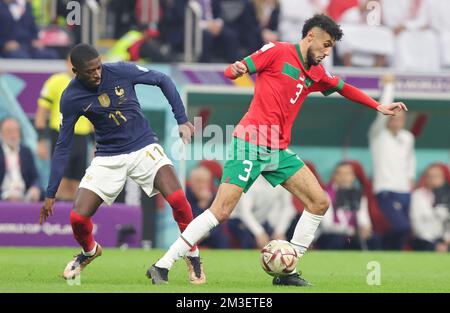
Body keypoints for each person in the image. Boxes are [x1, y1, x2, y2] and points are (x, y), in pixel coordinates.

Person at [149, 14, 407, 286]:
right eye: (326, 45)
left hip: (277, 149)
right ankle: (163, 264)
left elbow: (344, 88)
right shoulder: (277, 51)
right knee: (221, 210)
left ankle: (287, 270)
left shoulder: (317, 73)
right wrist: (235, 70)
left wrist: (377, 105)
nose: (327, 52)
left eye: (331, 47)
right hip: (250, 141)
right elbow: (237, 68)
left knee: (319, 202)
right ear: (310, 36)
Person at [38, 43, 206, 285]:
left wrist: (181, 119)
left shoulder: (119, 71)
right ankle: (89, 251)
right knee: (77, 218)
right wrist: (51, 192)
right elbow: (63, 145)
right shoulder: (71, 97)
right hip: (107, 157)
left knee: (179, 200)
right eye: (90, 71)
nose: (97, 74)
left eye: (98, 67)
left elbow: (163, 80)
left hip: (144, 147)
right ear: (75, 71)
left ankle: (193, 256)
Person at [35, 56, 93, 201]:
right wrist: (41, 140)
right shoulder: (56, 81)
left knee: (76, 184)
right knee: (61, 182)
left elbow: (93, 117)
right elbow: (41, 112)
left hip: (81, 138)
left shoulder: (89, 84)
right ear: (67, 64)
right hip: (62, 136)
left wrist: (96, 142)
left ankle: (71, 220)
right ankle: (56, 219)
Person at [369, 75, 415, 250]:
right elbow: (381, 112)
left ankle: (392, 257)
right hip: (385, 190)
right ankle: (382, 246)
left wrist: (411, 179)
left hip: (405, 190)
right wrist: (389, 87)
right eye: (394, 117)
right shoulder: (378, 134)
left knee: (403, 231)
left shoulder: (408, 137)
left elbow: (410, 160)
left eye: (400, 118)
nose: (397, 120)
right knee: (402, 226)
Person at [317, 162, 376, 250]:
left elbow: (364, 219)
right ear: (334, 176)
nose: (344, 177)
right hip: (332, 234)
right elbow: (327, 225)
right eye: (340, 174)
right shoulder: (325, 194)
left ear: (353, 176)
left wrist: (365, 228)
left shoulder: (359, 195)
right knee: (337, 240)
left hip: (354, 235)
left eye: (347, 174)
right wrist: (351, 231)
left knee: (374, 240)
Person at [229, 175, 296, 249]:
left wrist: (280, 231)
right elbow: (245, 212)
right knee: (248, 240)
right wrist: (259, 233)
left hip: (261, 221)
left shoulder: (281, 180)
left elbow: (288, 208)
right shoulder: (250, 180)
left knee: (274, 243)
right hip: (238, 220)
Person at [186, 166, 230, 249]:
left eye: (205, 182)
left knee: (222, 237)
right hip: (189, 235)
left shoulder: (214, 197)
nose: (202, 185)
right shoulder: (185, 195)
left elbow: (218, 222)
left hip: (210, 234)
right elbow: (189, 221)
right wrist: (201, 205)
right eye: (198, 181)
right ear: (190, 182)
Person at [410, 164, 450, 252]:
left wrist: (446, 241)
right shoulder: (418, 196)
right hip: (424, 239)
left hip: (444, 240)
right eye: (429, 176)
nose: (433, 179)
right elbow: (416, 225)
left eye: (436, 176)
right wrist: (435, 245)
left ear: (443, 178)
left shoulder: (447, 196)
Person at [0, 117, 41, 202]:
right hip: (3, 196)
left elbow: (35, 177)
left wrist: (35, 187)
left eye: (15, 131)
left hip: (25, 195)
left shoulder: (26, 151)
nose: (12, 135)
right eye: (8, 131)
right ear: (1, 133)